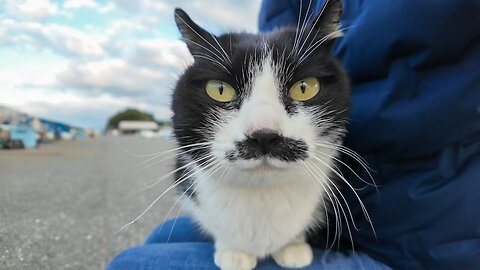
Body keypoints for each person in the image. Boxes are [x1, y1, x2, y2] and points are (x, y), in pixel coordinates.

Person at [107, 0, 480, 269]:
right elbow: (272, 42)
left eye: (301, 91)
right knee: (159, 239)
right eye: (222, 93)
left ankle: (294, 235)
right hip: (357, 212)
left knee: (132, 264)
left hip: (422, 244)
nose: (263, 129)